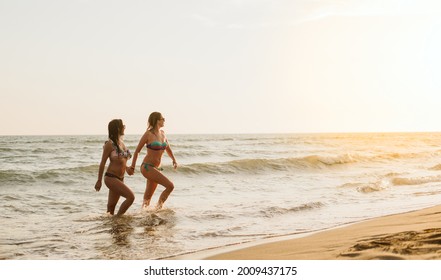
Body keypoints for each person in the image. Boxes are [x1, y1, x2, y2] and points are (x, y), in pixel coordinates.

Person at [128, 112, 177, 210]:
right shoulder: (148, 134)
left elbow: (168, 148)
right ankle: (159, 209)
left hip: (156, 168)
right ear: (157, 120)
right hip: (147, 167)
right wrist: (132, 167)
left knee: (147, 198)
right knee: (170, 186)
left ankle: (144, 215)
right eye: (163, 118)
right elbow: (137, 151)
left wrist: (174, 160)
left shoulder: (163, 134)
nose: (164, 120)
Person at [95, 119, 135, 216]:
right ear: (118, 128)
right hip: (111, 177)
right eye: (123, 126)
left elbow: (122, 161)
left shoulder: (121, 142)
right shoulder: (109, 144)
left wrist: (127, 168)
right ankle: (118, 219)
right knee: (131, 197)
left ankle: (111, 227)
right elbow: (103, 162)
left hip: (120, 178)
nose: (124, 127)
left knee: (111, 208)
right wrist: (99, 180)